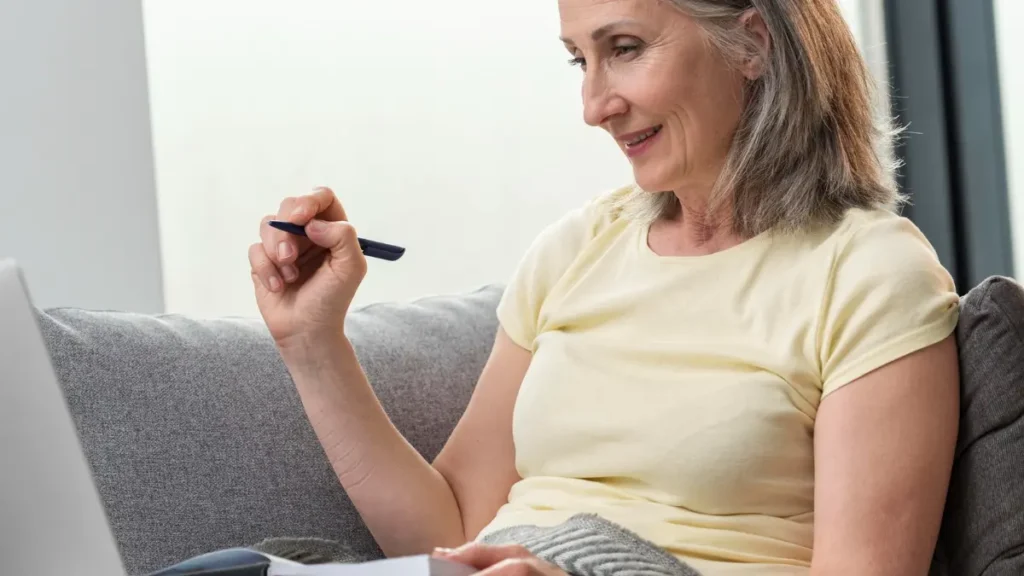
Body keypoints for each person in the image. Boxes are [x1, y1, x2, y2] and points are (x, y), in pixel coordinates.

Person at [246, 0, 961, 574]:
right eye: (578, 61)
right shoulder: (576, 249)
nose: (594, 105)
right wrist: (313, 343)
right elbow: (451, 531)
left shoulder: (868, 273)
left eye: (623, 49)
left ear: (752, 45)